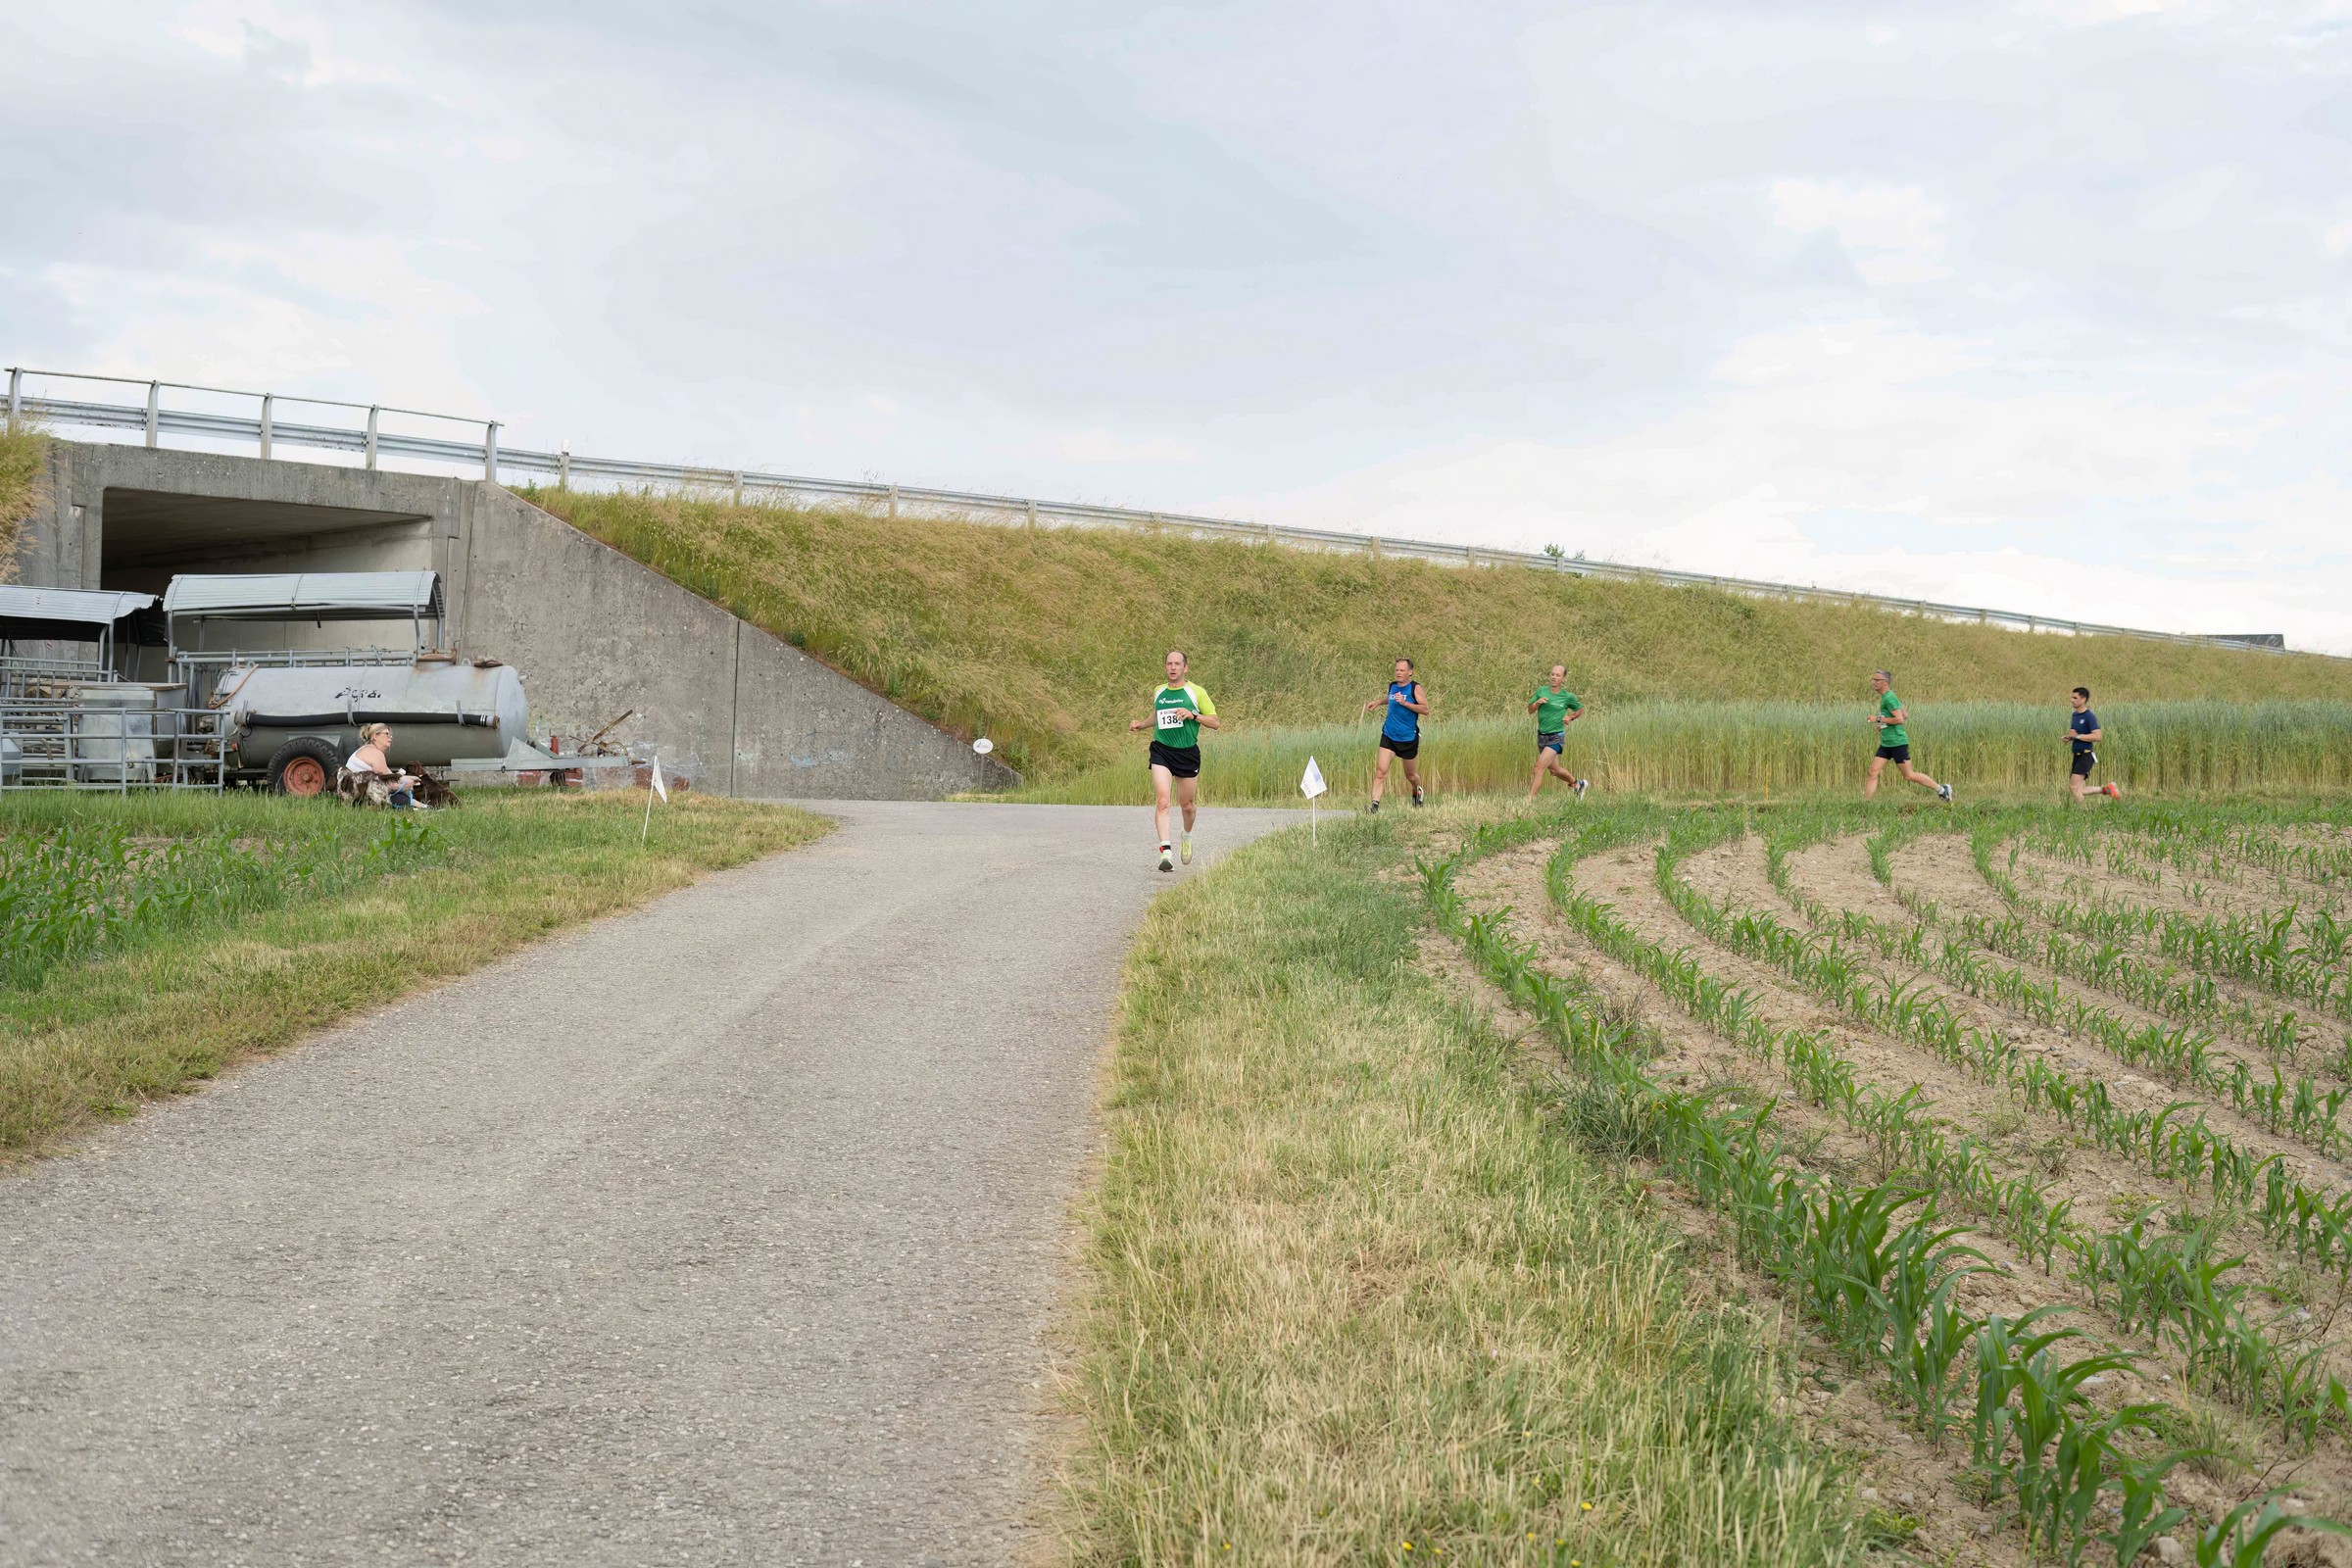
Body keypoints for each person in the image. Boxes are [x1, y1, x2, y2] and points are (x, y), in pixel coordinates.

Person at [1128, 650, 1219, 871]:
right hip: (1161, 750)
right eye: (1169, 664)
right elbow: (1158, 714)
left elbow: (1215, 722)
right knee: (1163, 801)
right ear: (1165, 667)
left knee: (1188, 806)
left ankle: (1186, 835)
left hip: (1187, 753)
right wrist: (1141, 724)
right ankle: (1165, 852)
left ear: (1185, 668)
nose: (1173, 667)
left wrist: (1193, 715)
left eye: (1177, 664)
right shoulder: (1159, 691)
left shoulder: (1196, 692)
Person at [1865, 670, 1952, 803]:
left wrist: (1877, 719)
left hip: (1897, 742)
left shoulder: (1889, 698)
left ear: (1884, 682)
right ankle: (1866, 803)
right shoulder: (1889, 696)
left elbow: (1900, 719)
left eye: (1877, 680)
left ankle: (1942, 789)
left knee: (1909, 775)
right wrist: (1883, 725)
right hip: (1886, 743)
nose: (1874, 682)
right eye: (1873, 679)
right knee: (1873, 771)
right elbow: (1904, 714)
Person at [1359, 657, 1429, 812]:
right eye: (1397, 670)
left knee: (1411, 776)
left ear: (1410, 672)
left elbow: (1425, 709)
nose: (1398, 673)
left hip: (1408, 738)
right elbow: (1391, 699)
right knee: (1380, 772)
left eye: (1402, 670)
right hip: (1389, 735)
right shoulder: (1393, 686)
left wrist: (1405, 703)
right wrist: (1378, 702)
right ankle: (1374, 806)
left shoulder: (1415, 688)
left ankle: (1417, 790)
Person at [1526, 664, 1591, 802]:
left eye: (1558, 675)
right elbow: (1530, 710)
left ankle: (1529, 800)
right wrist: (1537, 703)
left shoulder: (1567, 696)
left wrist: (1570, 717)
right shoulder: (1541, 691)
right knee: (1554, 771)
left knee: (1538, 769)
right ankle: (1577, 784)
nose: (1554, 677)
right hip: (1542, 736)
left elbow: (1580, 709)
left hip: (1556, 737)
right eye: (1552, 674)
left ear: (1563, 679)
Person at [345, 723, 425, 809]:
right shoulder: (377, 754)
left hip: (353, 793)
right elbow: (388, 785)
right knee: (400, 798)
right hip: (362, 797)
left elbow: (389, 776)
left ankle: (423, 806)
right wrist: (407, 784)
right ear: (375, 736)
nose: (390, 737)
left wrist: (410, 778)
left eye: (390, 734)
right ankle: (423, 807)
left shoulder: (366, 749)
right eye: (387, 734)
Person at [2066, 685, 2122, 805]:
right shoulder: (2074, 715)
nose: (2072, 700)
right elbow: (2076, 734)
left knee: (2073, 787)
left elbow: (2097, 736)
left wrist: (2077, 736)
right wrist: (2069, 737)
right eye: (2071, 697)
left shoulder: (2089, 716)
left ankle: (2083, 811)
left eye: (2075, 698)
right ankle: (2108, 789)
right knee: (2079, 789)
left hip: (2086, 755)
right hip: (2076, 755)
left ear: (2083, 699)